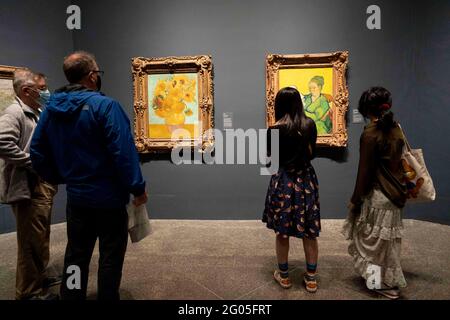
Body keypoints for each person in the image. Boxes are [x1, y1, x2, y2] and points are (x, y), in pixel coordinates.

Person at [30, 51, 148, 300]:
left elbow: (38, 151)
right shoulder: (106, 107)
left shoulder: (51, 110)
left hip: (77, 197)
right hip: (109, 198)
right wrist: (137, 188)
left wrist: (61, 176)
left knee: (77, 254)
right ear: (93, 76)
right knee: (110, 254)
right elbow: (123, 153)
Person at [342, 87, 408, 300]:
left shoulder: (370, 133)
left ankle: (377, 284)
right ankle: (386, 281)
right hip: (395, 195)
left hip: (378, 195)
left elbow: (365, 172)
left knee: (369, 244)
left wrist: (355, 200)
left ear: (365, 108)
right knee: (385, 245)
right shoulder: (396, 128)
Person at [0, 69, 59, 300]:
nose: (46, 91)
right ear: (27, 91)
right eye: (42, 87)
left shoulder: (36, 110)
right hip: (28, 186)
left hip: (41, 184)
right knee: (29, 243)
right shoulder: (14, 112)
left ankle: (39, 278)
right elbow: (2, 142)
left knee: (40, 237)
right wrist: (32, 163)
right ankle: (29, 293)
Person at [262, 87, 320, 293]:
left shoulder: (274, 130)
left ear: (279, 105)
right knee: (309, 233)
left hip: (284, 181)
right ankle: (311, 278)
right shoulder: (310, 125)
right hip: (305, 181)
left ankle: (284, 277)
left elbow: (271, 162)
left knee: (282, 233)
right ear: (299, 103)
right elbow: (312, 154)